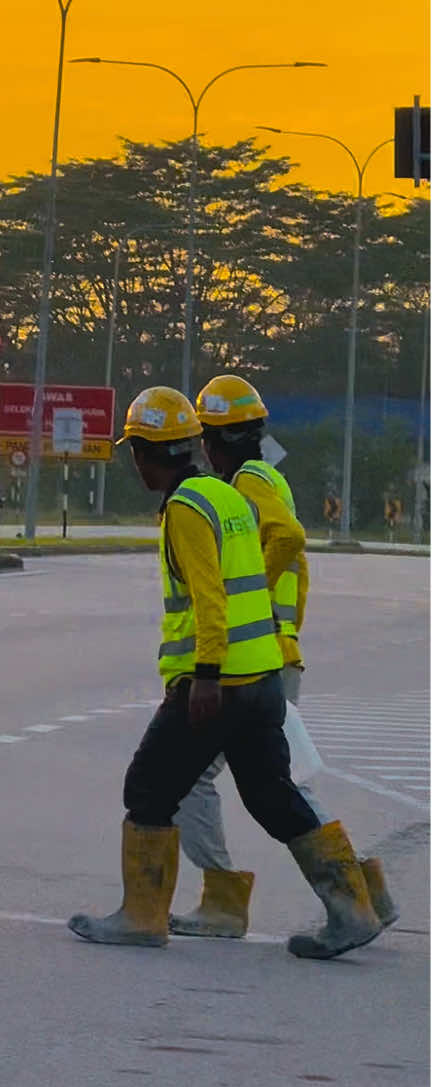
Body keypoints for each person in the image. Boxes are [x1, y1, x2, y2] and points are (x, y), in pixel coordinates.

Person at [66, 386, 383, 960]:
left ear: (145, 453)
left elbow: (211, 598)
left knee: (147, 790)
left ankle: (142, 915)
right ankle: (353, 907)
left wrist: (205, 676)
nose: (135, 463)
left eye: (135, 451)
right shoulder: (225, 494)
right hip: (262, 680)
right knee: (271, 795)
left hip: (220, 683)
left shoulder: (186, 508)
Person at [168, 375, 396, 938]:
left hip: (257, 655)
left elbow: (290, 537)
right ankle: (365, 890)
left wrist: (246, 590)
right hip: (276, 651)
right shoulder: (266, 475)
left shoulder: (247, 480)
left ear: (209, 441)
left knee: (189, 778)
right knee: (282, 784)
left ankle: (224, 898)